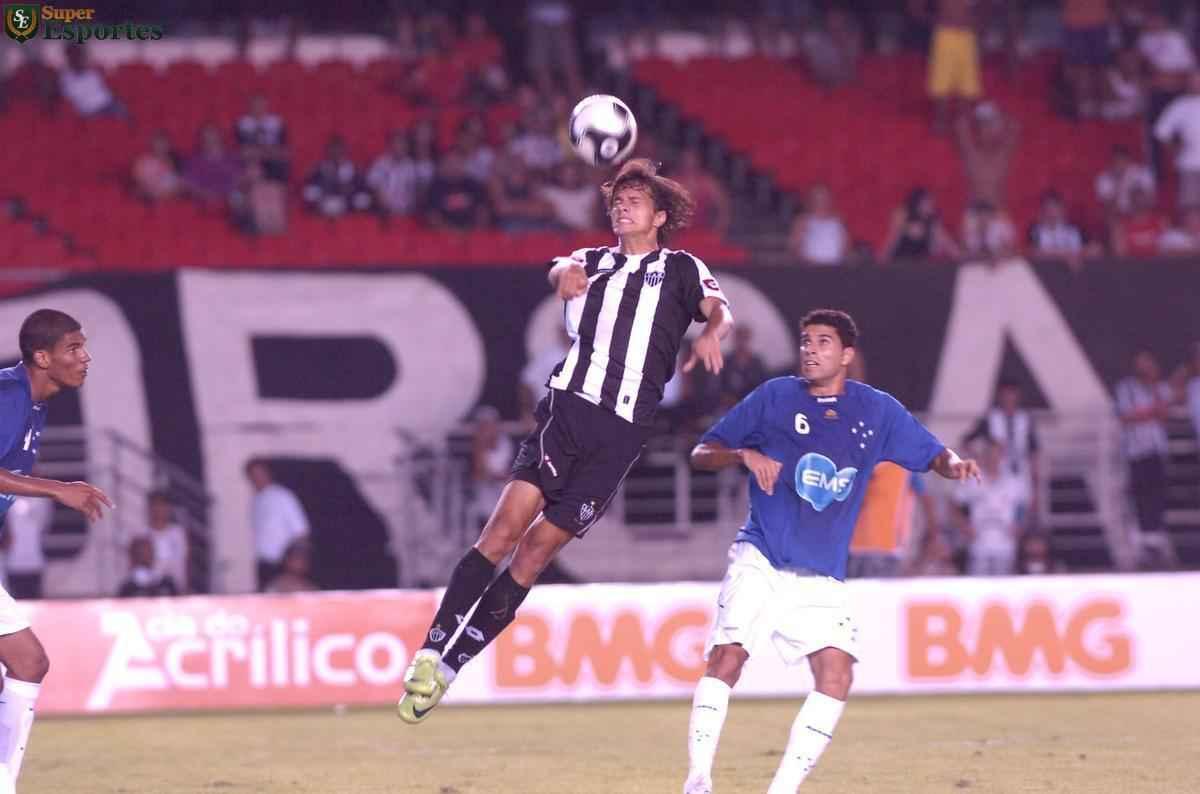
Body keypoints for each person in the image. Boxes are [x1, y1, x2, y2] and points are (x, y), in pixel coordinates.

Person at [398, 158, 734, 725]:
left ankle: (453, 667)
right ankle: (429, 649)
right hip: (569, 411)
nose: (621, 206)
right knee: (503, 531)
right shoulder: (593, 261)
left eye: (634, 200)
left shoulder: (681, 267)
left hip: (621, 433)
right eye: (617, 200)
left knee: (535, 551)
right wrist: (563, 277)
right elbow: (562, 268)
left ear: (658, 216)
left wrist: (712, 334)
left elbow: (717, 308)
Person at [681, 309, 980, 794]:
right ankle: (698, 781)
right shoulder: (775, 397)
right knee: (728, 658)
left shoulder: (876, 411)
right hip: (763, 557)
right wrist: (742, 453)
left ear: (845, 355)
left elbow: (930, 452)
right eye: (805, 341)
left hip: (822, 574)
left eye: (823, 342)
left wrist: (956, 464)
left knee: (837, 675)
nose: (810, 349)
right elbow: (701, 453)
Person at [0, 309, 114, 787]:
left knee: (27, 662)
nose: (85, 357)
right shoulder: (9, 396)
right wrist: (55, 488)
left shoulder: (34, 404)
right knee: (27, 661)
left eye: (83, 346)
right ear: (42, 357)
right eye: (73, 348)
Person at [1115, 351, 1178, 569]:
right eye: (1142, 364)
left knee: (1157, 497)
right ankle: (1141, 545)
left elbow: (1164, 413)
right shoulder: (1126, 388)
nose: (1145, 368)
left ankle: (1156, 544)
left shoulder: (1159, 387)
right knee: (1139, 498)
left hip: (1157, 451)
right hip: (1135, 452)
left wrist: (1150, 405)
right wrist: (1150, 412)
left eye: (1149, 364)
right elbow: (1126, 416)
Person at [952, 438, 1025, 575]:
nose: (994, 458)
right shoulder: (972, 480)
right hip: (979, 542)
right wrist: (964, 526)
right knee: (978, 587)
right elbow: (954, 505)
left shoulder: (1014, 481)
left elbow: (1022, 507)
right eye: (990, 454)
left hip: (1005, 542)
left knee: (1004, 588)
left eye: (998, 454)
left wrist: (1018, 525)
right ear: (984, 456)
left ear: (1003, 456)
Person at [245, 458, 310, 591]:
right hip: (264, 564)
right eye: (253, 475)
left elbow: (302, 531)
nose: (257, 478)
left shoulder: (283, 496)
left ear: (268, 473)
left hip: (282, 564)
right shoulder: (256, 500)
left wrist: (295, 564)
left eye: (260, 473)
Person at [1, 496, 52, 600]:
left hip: (35, 562)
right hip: (14, 564)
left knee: (34, 604)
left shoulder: (41, 500)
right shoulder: (6, 500)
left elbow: (45, 525)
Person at [141, 490, 188, 593]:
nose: (158, 510)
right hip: (149, 588)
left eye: (162, 506)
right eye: (155, 506)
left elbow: (181, 563)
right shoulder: (142, 534)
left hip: (173, 587)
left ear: (168, 508)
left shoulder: (177, 533)